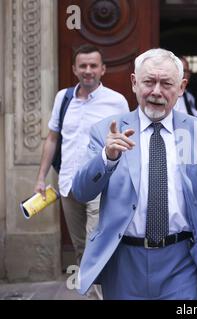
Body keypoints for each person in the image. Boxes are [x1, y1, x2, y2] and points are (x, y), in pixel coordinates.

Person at [71, 48, 197, 299]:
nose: (156, 91)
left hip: (182, 262)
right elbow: (81, 191)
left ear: (181, 87)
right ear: (134, 83)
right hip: (124, 263)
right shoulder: (106, 132)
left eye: (166, 83)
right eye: (148, 82)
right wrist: (107, 158)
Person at [34, 44, 129, 265]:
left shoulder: (116, 101)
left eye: (93, 65)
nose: (88, 70)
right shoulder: (63, 98)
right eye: (83, 66)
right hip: (68, 185)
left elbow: (126, 143)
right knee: (80, 249)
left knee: (95, 247)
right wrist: (40, 178)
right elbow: (52, 139)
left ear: (103, 69)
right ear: (75, 69)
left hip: (101, 186)